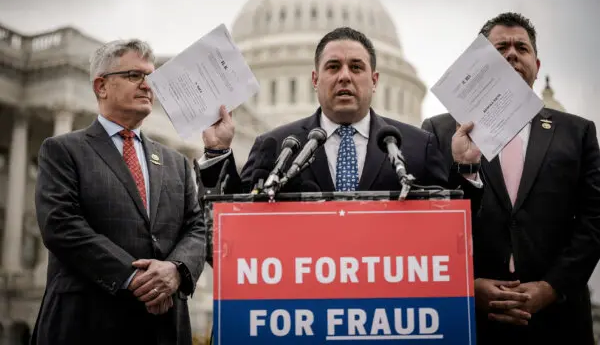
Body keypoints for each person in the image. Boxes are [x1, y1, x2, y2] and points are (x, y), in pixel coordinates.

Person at [422, 12, 600, 344]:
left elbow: (594, 220)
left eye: (522, 47)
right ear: (479, 64)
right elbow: (428, 224)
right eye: (500, 47)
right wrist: (468, 285)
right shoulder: (440, 131)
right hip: (472, 319)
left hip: (558, 320)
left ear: (537, 63)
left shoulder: (578, 132)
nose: (512, 53)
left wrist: (550, 288)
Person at [31, 39, 207, 345]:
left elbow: (197, 228)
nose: (147, 86)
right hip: (86, 323)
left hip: (163, 327)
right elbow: (61, 226)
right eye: (134, 76)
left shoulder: (176, 162)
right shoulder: (63, 150)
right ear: (101, 86)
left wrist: (176, 271)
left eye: (151, 77)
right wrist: (136, 278)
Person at [198, 26, 481, 196]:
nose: (344, 76)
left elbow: (452, 226)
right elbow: (234, 225)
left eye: (356, 67)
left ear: (374, 80)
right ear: (314, 79)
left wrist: (466, 170)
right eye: (333, 67)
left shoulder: (417, 146)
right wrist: (217, 152)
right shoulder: (275, 147)